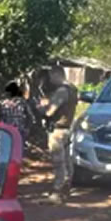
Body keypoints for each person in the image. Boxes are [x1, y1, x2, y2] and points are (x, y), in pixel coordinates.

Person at [37, 67, 78, 201]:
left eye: (50, 76)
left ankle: (57, 191)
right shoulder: (73, 89)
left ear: (56, 75)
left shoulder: (61, 91)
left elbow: (49, 111)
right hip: (67, 128)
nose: (50, 80)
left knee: (58, 162)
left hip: (57, 130)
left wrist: (39, 108)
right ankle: (66, 188)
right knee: (67, 160)